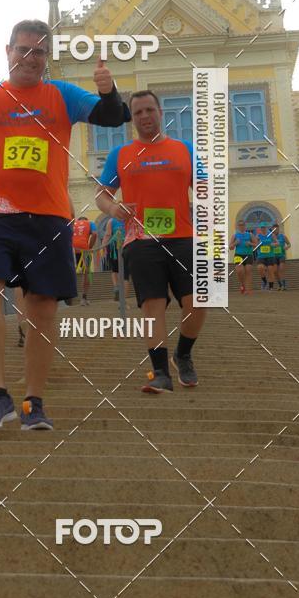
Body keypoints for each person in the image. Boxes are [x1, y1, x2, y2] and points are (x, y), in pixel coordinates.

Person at [0, 15, 130, 429]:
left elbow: (111, 116)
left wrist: (108, 90)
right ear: (8, 52)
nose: (30, 58)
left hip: (48, 216)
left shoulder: (62, 95)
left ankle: (34, 400)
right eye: (23, 50)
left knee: (42, 307)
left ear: (47, 57)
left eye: (39, 52)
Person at [95, 90, 206, 393]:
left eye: (149, 110)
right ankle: (160, 373)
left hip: (183, 237)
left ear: (160, 112)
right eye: (138, 112)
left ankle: (182, 355)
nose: (144, 116)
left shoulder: (185, 150)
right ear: (132, 118)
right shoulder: (121, 154)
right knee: (152, 305)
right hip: (140, 240)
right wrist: (113, 209)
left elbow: (205, 188)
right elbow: (102, 195)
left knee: (198, 302)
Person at [100, 216, 131, 302]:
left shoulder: (111, 221)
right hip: (127, 245)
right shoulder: (129, 219)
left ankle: (116, 287)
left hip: (114, 246)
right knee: (126, 273)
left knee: (114, 270)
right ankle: (124, 299)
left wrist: (103, 246)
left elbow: (108, 234)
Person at [72, 216, 97, 304]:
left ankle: (66, 297)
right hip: (84, 249)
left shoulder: (73, 224)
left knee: (69, 272)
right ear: (86, 220)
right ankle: (84, 298)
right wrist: (90, 247)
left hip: (71, 249)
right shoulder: (90, 223)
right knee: (86, 273)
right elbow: (94, 234)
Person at [229, 219, 254, 294]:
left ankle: (248, 289)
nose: (241, 226)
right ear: (238, 226)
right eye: (240, 225)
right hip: (238, 255)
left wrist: (250, 243)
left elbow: (257, 244)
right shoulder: (235, 235)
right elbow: (230, 247)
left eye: (243, 225)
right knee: (239, 271)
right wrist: (235, 243)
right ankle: (242, 284)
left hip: (248, 254)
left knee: (248, 270)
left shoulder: (250, 235)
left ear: (245, 226)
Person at [255, 224, 277, 291]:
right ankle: (264, 281)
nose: (263, 229)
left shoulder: (271, 235)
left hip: (270, 255)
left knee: (270, 270)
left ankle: (271, 287)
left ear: (266, 228)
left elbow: (277, 243)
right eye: (262, 227)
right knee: (260, 268)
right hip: (261, 256)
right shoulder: (258, 236)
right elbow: (255, 246)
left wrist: (272, 244)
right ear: (260, 229)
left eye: (264, 227)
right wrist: (258, 244)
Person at [271, 222, 291, 290]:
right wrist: (271, 245)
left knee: (281, 269)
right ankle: (280, 284)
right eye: (274, 229)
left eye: (277, 229)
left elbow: (289, 244)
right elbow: (268, 245)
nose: (275, 230)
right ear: (272, 229)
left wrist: (286, 247)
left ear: (278, 229)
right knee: (275, 271)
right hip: (273, 256)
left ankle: (284, 285)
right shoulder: (271, 237)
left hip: (281, 255)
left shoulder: (283, 236)